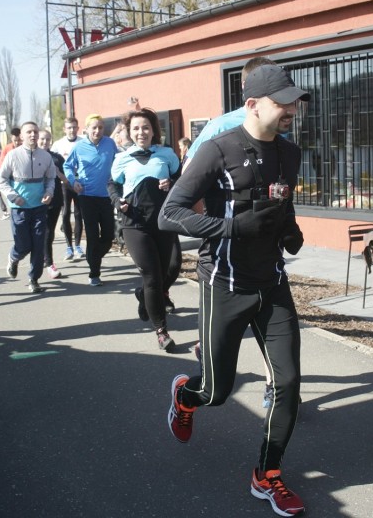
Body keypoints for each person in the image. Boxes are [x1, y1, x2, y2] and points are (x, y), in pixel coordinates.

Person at [158, 64, 308, 516]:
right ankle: (186, 395)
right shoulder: (216, 151)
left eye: (294, 102)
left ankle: (268, 476)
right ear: (253, 104)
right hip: (224, 283)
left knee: (288, 383)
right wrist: (231, 227)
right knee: (217, 392)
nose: (291, 110)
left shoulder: (291, 153)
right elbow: (170, 213)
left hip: (273, 283)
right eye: (283, 102)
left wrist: (290, 229)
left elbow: (282, 202)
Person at [183, 55, 278, 409]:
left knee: (270, 321)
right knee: (216, 386)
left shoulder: (278, 128)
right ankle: (209, 347)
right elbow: (188, 187)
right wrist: (216, 227)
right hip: (225, 257)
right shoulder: (219, 129)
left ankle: (275, 384)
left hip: (266, 250)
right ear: (249, 91)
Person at [109, 108, 181, 350]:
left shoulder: (167, 154)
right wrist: (118, 201)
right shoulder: (122, 158)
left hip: (163, 221)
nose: (141, 132)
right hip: (135, 224)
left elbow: (181, 180)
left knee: (171, 269)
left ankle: (144, 295)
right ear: (130, 132)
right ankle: (161, 331)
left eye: (146, 127)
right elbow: (113, 185)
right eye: (136, 128)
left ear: (153, 131)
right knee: (152, 277)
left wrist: (171, 183)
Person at [182, 56, 276, 169]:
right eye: (267, 82)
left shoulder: (279, 122)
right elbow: (188, 173)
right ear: (245, 86)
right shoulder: (219, 127)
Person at [0, 121, 57, 293]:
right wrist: (13, 196)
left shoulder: (45, 157)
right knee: (24, 245)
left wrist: (49, 192)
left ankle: (34, 278)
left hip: (39, 207)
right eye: (29, 132)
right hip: (19, 208)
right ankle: (14, 258)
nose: (33, 135)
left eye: (35, 132)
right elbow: (1, 179)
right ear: (22, 136)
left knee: (38, 244)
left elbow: (51, 178)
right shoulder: (13, 155)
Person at [64, 114, 118, 286]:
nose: (97, 131)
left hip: (107, 196)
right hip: (87, 196)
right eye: (94, 127)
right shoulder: (79, 147)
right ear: (86, 129)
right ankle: (94, 273)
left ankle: (92, 257)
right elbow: (67, 166)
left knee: (109, 236)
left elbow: (118, 163)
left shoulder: (110, 143)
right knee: (93, 236)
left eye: (100, 127)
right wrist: (73, 181)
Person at [52, 117, 85, 261]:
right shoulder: (58, 144)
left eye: (74, 127)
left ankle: (78, 246)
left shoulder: (83, 142)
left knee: (79, 214)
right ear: (64, 129)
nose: (72, 130)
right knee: (65, 213)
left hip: (80, 182)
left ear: (78, 128)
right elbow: (51, 161)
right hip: (65, 183)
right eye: (69, 128)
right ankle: (68, 247)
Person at [38, 128, 68, 279]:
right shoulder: (32, 156)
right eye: (42, 139)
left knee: (49, 232)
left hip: (54, 200)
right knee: (37, 233)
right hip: (36, 200)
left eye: (47, 139)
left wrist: (58, 172)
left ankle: (49, 263)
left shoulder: (57, 158)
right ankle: (41, 259)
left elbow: (66, 179)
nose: (44, 142)